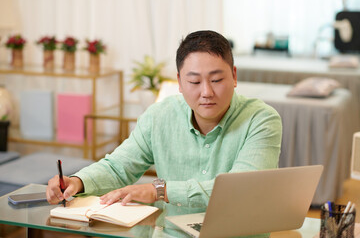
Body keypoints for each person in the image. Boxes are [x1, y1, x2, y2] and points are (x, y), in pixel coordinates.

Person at [47, 30, 282, 208]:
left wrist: (159, 190)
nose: (207, 92)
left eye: (217, 80)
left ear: (234, 76)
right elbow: (119, 167)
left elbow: (240, 189)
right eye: (194, 82)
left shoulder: (261, 120)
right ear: (179, 82)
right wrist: (79, 181)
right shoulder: (159, 116)